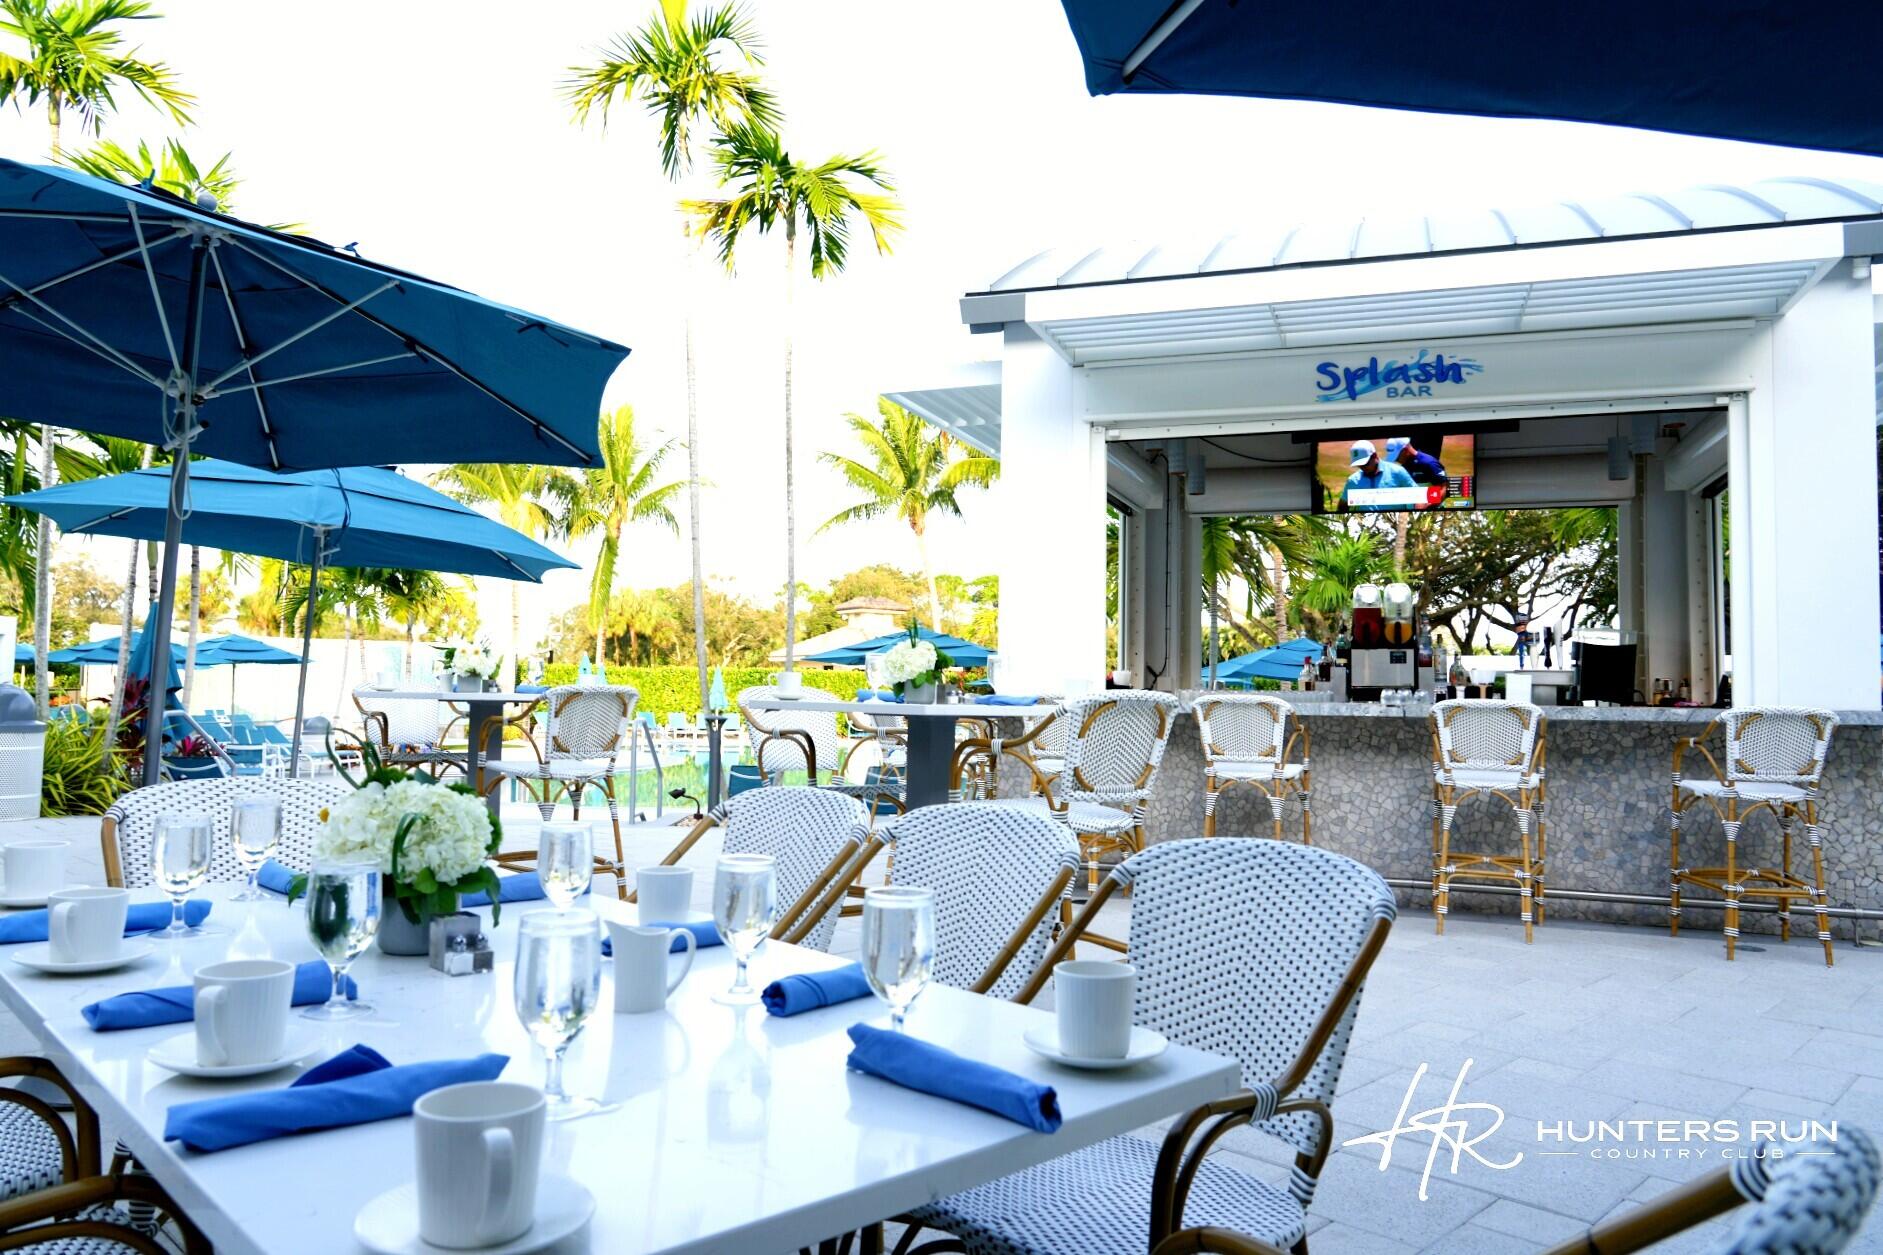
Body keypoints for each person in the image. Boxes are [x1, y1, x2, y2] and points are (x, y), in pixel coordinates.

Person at [1338, 439, 1415, 512]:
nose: (1363, 468)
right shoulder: (1353, 481)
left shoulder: (1397, 472)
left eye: (1365, 464)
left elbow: (1418, 496)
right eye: (1359, 465)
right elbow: (1342, 506)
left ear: (1375, 456)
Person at [1384, 435, 1449, 493]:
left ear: (1405, 450)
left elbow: (1444, 488)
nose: (1396, 460)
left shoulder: (1429, 463)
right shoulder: (1403, 468)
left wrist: (1428, 505)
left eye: (1397, 457)